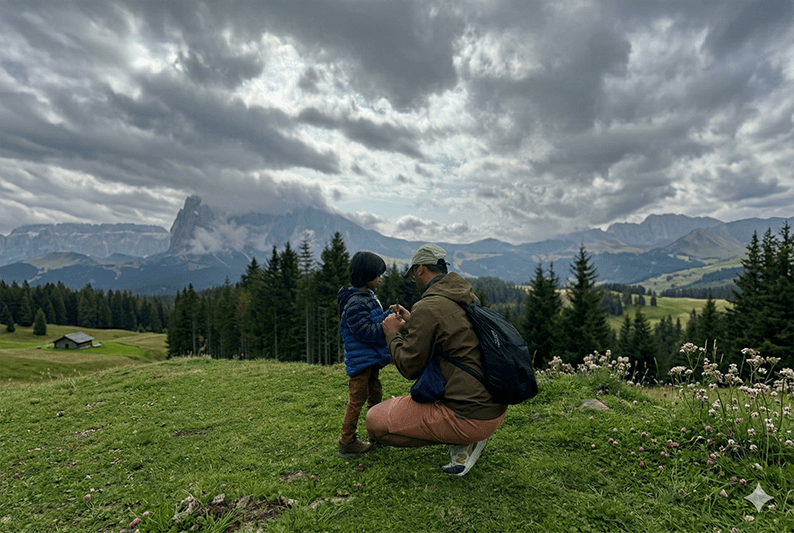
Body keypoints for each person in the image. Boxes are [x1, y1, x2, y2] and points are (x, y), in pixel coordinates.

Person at [366, 244, 507, 476]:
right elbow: (451, 337)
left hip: (470, 416)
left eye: (412, 274)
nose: (413, 279)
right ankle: (467, 437)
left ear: (420, 269)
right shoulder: (465, 295)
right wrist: (414, 322)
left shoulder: (429, 305)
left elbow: (409, 366)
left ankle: (464, 441)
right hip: (493, 406)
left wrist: (391, 333)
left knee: (375, 424)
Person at [336, 251, 393, 458]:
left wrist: (389, 315)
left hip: (371, 361)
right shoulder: (355, 304)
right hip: (361, 363)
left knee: (375, 395)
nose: (380, 279)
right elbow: (367, 331)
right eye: (378, 275)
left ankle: (376, 433)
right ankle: (347, 441)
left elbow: (374, 322)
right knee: (357, 401)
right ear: (367, 275)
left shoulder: (367, 297)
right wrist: (388, 326)